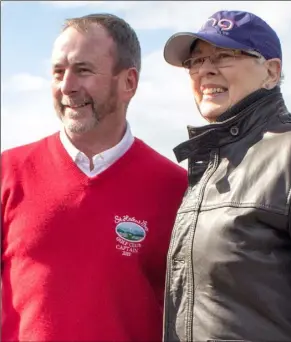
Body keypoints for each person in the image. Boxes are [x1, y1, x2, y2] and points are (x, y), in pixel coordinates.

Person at [162, 10, 291, 342]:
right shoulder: (208, 166)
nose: (205, 69)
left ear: (271, 71)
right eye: (195, 61)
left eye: (224, 56)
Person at [1, 13, 187, 342]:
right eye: (58, 72)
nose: (67, 86)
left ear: (128, 82)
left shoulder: (175, 188)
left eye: (83, 70)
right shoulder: (8, 171)